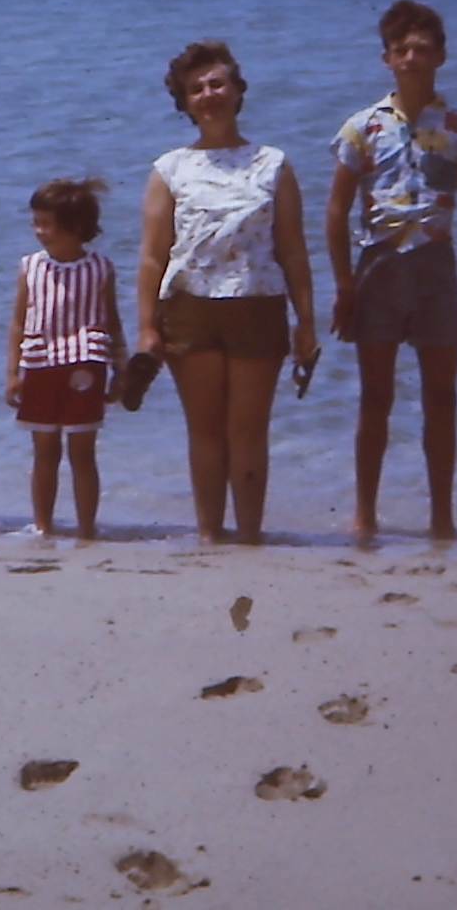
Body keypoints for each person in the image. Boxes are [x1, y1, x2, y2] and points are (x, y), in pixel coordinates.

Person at [136, 41, 317, 544]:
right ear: (184, 102)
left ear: (238, 91)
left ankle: (251, 535)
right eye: (196, 89)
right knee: (205, 431)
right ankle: (210, 536)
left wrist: (307, 321)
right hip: (189, 309)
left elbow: (295, 252)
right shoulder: (169, 169)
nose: (208, 95)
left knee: (249, 431)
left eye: (217, 84)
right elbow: (153, 256)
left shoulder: (273, 164)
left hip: (257, 306)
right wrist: (147, 325)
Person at [325, 0, 457, 541]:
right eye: (402, 50)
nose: (413, 58)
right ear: (386, 59)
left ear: (441, 56)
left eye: (423, 49)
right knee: (376, 396)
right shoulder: (362, 128)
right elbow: (335, 211)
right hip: (378, 266)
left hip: (436, 269)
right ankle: (364, 514)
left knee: (441, 397)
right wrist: (344, 286)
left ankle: (442, 516)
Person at [5, 178, 125, 539]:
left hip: (85, 363)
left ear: (76, 228)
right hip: (40, 363)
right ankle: (44, 525)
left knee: (82, 451)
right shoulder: (31, 267)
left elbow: (113, 320)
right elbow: (18, 323)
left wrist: (122, 368)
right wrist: (13, 372)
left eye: (47, 223)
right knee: (44, 450)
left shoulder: (100, 268)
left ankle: (87, 528)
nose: (39, 231)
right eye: (36, 222)